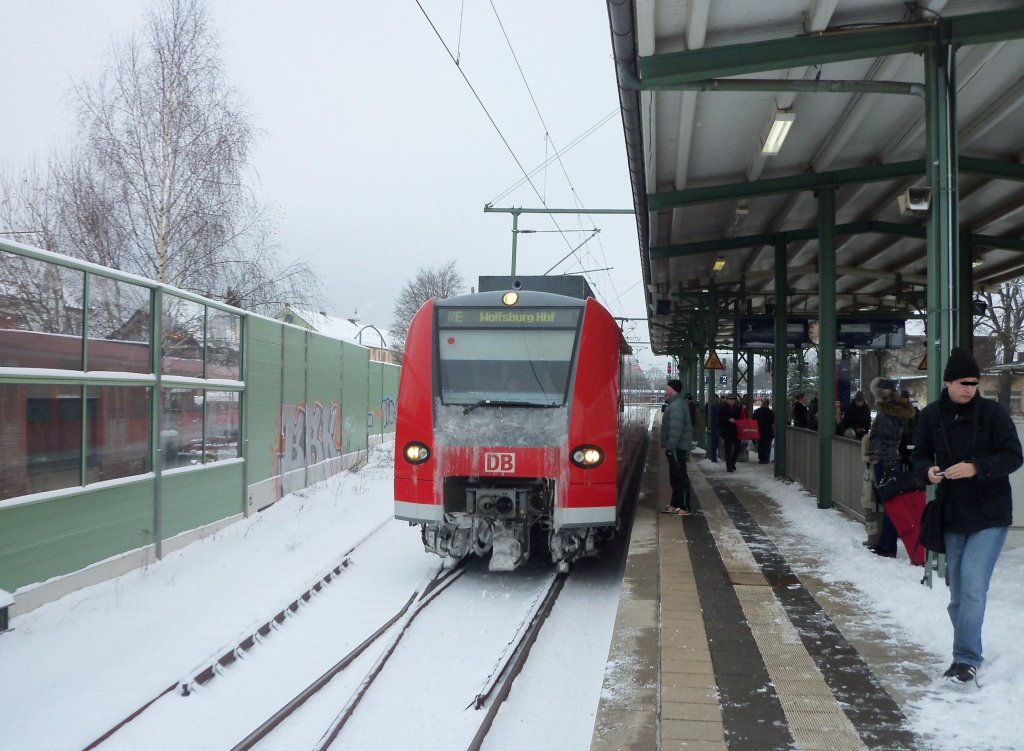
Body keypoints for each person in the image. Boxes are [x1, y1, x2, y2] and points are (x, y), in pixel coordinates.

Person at [911, 347, 1023, 685]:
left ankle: (966, 659)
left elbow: (1014, 456)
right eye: (963, 382)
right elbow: (919, 456)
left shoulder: (993, 414)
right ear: (947, 383)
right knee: (959, 595)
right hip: (952, 514)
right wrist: (927, 472)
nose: (970, 388)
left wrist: (976, 467)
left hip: (991, 513)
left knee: (973, 586)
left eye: (975, 383)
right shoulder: (930, 416)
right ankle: (968, 651)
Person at [866, 377, 918, 558]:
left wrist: (876, 458)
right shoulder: (899, 412)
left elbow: (883, 441)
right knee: (890, 502)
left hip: (885, 462)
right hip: (894, 460)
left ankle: (887, 545)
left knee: (889, 502)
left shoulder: (885, 413)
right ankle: (886, 543)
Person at [660, 379, 694, 515]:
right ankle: (674, 505)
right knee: (675, 477)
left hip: (677, 448)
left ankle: (685, 506)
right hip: (676, 447)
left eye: (667, 386)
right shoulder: (675, 404)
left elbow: (676, 430)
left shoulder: (676, 406)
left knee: (680, 477)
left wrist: (670, 447)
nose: (665, 388)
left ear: (672, 388)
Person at [719, 393, 742, 472]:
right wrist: (728, 419)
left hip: (735, 431)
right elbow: (721, 418)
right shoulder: (723, 408)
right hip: (727, 431)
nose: (732, 401)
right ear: (727, 399)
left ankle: (732, 463)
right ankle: (729, 466)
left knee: (737, 448)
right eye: (730, 399)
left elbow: (740, 416)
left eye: (733, 399)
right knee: (728, 449)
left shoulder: (736, 407)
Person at [753, 397, 774, 464]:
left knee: (760, 444)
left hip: (759, 430)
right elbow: (773, 422)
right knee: (767, 445)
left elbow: (753, 421)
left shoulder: (756, 412)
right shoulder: (771, 412)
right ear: (768, 404)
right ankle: (766, 458)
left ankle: (761, 458)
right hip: (768, 431)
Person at [708, 393, 721, 462]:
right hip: (715, 426)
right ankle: (714, 458)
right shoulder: (716, 407)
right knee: (715, 443)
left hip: (717, 426)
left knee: (716, 443)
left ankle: (715, 457)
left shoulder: (718, 406)